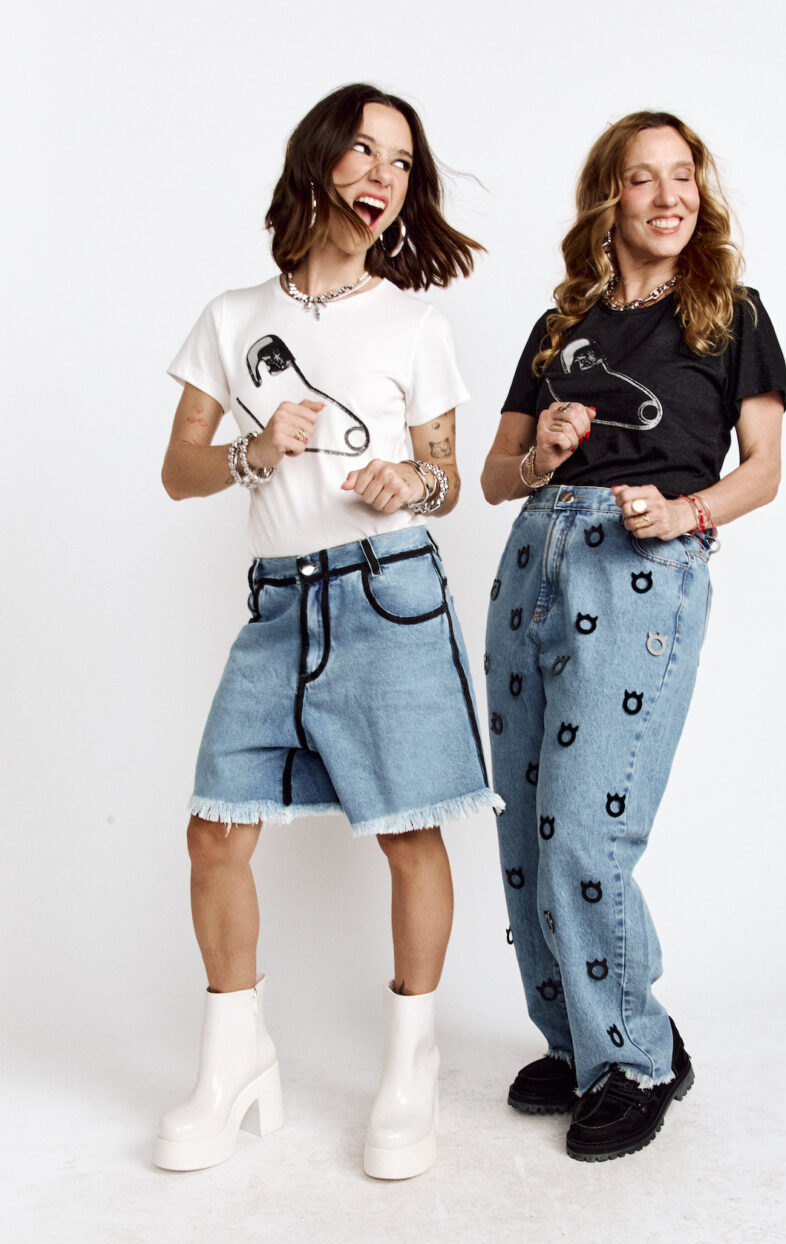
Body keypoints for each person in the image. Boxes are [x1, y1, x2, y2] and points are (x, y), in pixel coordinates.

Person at [154, 83, 498, 1180]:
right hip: (277, 609)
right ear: (318, 161)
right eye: (362, 150)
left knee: (409, 832)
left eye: (400, 162)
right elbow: (178, 471)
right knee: (215, 830)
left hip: (389, 596)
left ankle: (410, 1066)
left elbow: (447, 477)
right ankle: (234, 1061)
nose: (382, 176)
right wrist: (252, 452)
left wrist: (412, 479)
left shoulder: (414, 323)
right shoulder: (231, 317)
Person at [481, 111, 786, 1162]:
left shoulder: (732, 314)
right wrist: (542, 451)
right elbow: (495, 477)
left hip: (641, 565)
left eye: (683, 176)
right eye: (643, 178)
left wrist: (686, 512)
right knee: (524, 826)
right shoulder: (556, 325)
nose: (668, 196)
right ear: (607, 200)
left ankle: (638, 1056)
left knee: (584, 826)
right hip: (535, 553)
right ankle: (579, 1042)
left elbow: (763, 470)